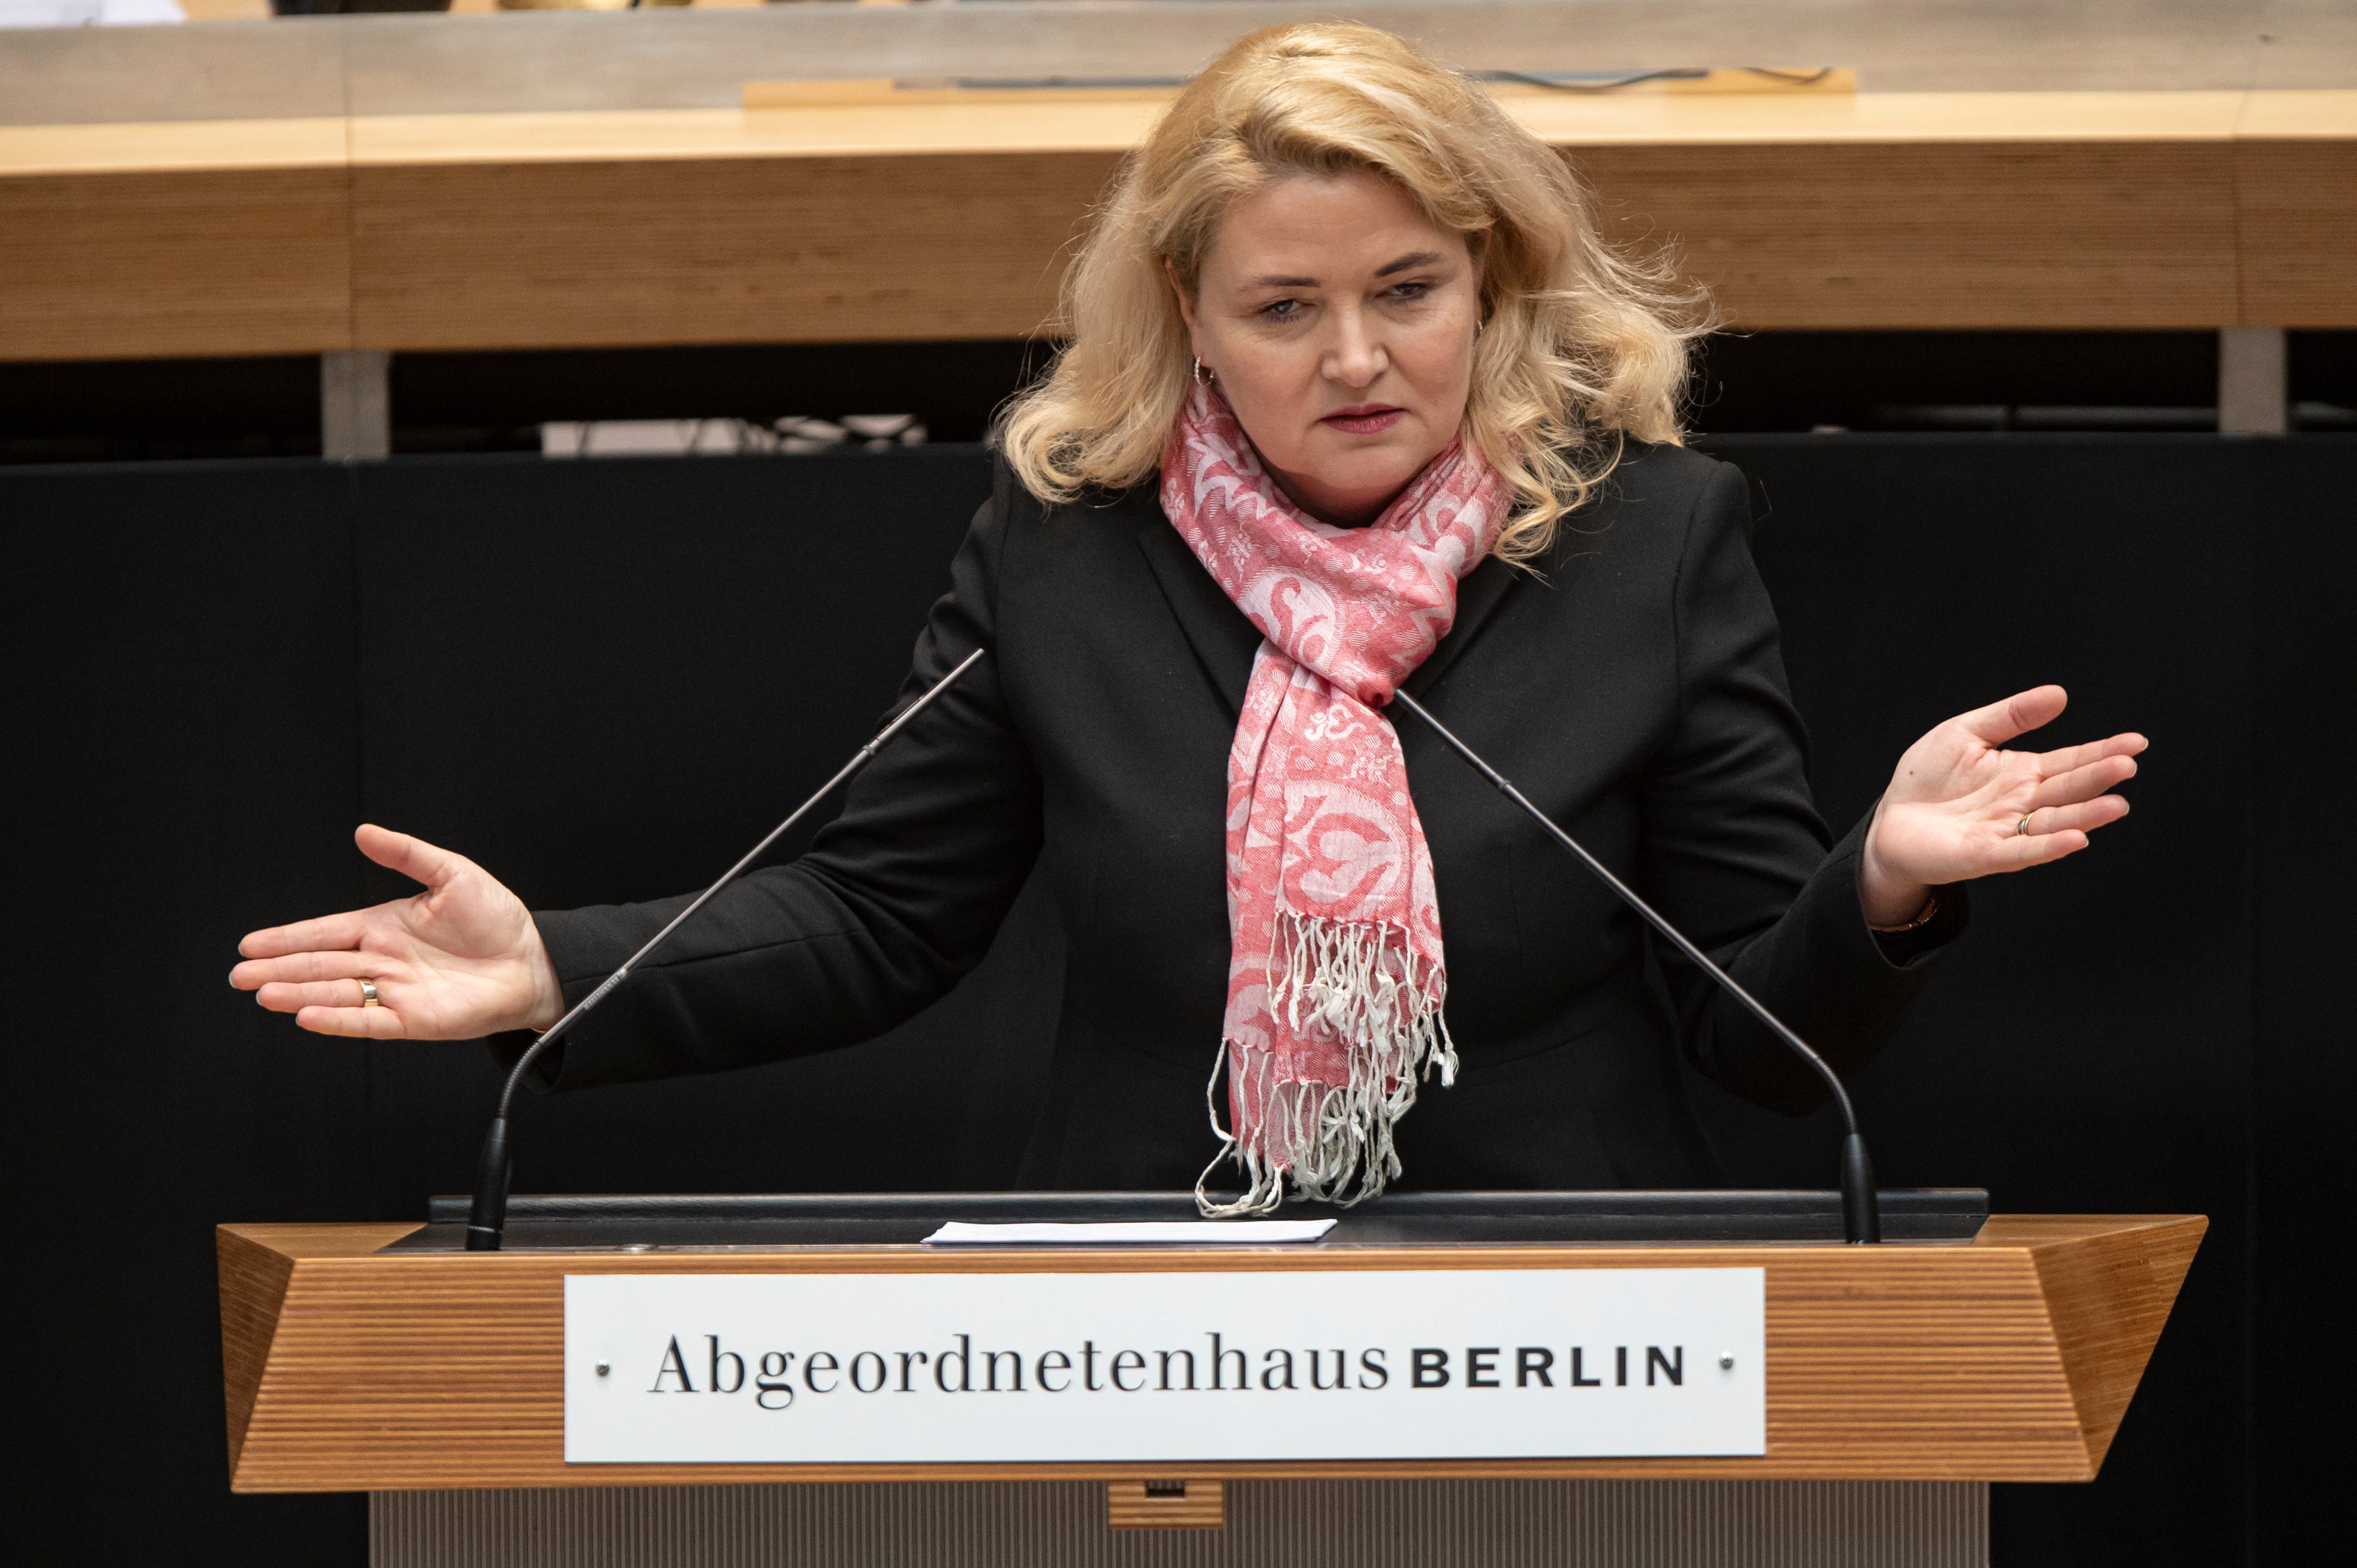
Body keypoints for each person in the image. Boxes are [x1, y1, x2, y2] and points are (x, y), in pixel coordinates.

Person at [230, 23, 2142, 1210]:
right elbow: (886, 914)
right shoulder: (1074, 543)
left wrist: (1879, 880)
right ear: (1189, 325)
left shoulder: (1646, 536)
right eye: (1284, 308)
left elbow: (1748, 1019)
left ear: (1490, 279)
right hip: (1154, 1278)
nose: (1360, 356)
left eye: (1407, 287)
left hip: (1565, 1284)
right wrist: (560, 967)